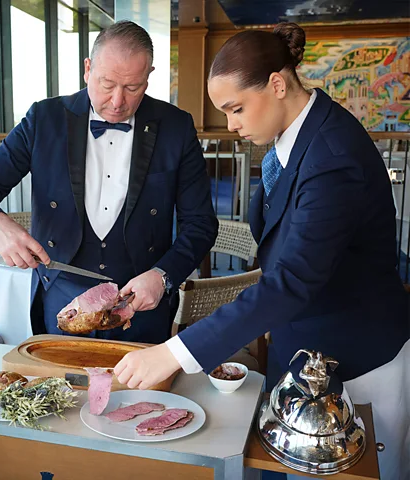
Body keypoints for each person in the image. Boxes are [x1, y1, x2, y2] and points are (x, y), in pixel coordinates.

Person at [113, 23, 410, 479]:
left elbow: (292, 279)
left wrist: (173, 353)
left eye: (236, 109)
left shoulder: (333, 154)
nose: (231, 125)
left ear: (277, 84)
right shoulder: (294, 138)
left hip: (356, 357)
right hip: (305, 346)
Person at [0, 20, 218, 345]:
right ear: (87, 68)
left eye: (133, 88)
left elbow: (201, 224)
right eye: (107, 84)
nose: (118, 101)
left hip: (141, 304)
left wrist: (163, 276)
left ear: (149, 76)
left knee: (141, 395)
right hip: (61, 300)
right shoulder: (44, 119)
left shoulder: (176, 127)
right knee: (62, 394)